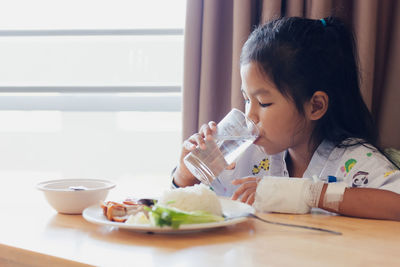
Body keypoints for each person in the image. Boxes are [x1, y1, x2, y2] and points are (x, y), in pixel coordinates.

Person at [172, 17, 400, 221]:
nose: (250, 115)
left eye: (263, 103)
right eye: (246, 100)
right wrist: (184, 176)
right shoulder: (245, 157)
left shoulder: (353, 160)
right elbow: (187, 209)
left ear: (316, 106)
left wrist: (309, 193)